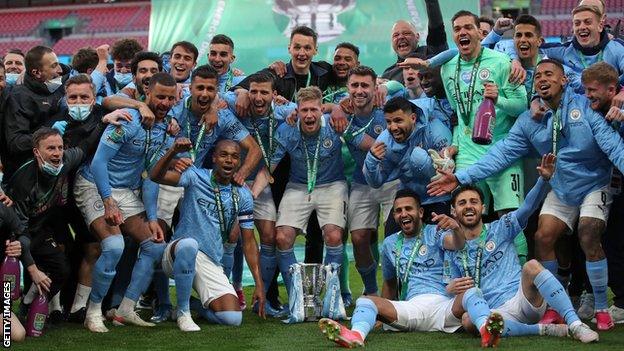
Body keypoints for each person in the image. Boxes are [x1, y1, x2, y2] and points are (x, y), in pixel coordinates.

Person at [428, 59, 624, 331]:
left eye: (550, 75)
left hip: (594, 185)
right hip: (561, 186)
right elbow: (502, 153)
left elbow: (613, 146)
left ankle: (602, 308)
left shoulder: (585, 109)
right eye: (538, 76)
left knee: (588, 232)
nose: (543, 79)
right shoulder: (529, 121)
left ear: (564, 80)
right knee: (543, 237)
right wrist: (461, 177)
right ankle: (554, 306)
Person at [444, 155, 596, 346]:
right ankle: (544, 329)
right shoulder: (452, 246)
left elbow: (527, 207)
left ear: (482, 207)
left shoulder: (501, 227)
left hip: (522, 299)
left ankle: (575, 324)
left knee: (532, 266)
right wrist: (450, 289)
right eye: (462, 203)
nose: (468, 206)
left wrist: (543, 180)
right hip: (492, 312)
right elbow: (452, 289)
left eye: (473, 202)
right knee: (467, 320)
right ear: (453, 211)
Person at [74, 72, 177, 332]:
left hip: (126, 190)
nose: (165, 102)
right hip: (94, 184)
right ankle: (94, 311)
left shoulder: (167, 130)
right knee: (114, 246)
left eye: (170, 98)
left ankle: (126, 308)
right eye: (160, 97)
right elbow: (99, 162)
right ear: (147, 94)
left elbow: (152, 178)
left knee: (155, 244)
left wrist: (152, 218)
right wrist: (108, 201)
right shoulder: (128, 119)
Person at [317, 189, 464, 348]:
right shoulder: (390, 243)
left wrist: (456, 228)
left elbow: (458, 243)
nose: (403, 214)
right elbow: (390, 282)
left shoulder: (436, 232)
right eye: (398, 211)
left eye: (409, 209)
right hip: (412, 308)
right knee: (365, 301)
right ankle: (356, 335)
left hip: (443, 304)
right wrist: (380, 315)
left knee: (472, 294)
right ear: (394, 216)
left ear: (420, 212)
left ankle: (487, 328)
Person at [440, 10, 529, 264]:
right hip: (468, 154)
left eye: (468, 27)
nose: (463, 33)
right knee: (466, 215)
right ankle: (473, 275)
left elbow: (521, 104)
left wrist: (497, 99)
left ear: (480, 32)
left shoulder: (501, 62)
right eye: (457, 29)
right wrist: (456, 144)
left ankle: (520, 278)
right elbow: (461, 112)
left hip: (502, 152)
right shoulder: (448, 69)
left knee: (510, 217)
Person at [150, 138, 265, 331]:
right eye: (224, 155)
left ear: (239, 162)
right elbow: (155, 176)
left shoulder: (243, 195)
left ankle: (190, 306)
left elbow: (249, 241)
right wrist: (172, 152)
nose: (229, 160)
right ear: (214, 158)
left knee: (232, 318)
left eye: (235, 157)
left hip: (210, 261)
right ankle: (184, 314)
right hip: (178, 252)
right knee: (189, 245)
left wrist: (258, 283)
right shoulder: (195, 176)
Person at [252, 86, 349, 297]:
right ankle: (298, 298)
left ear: (322, 109)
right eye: (304, 110)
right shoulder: (286, 131)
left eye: (314, 109)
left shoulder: (334, 124)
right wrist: (250, 196)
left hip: (332, 184)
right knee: (282, 238)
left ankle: (329, 297)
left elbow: (360, 101)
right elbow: (270, 167)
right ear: (297, 110)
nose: (309, 115)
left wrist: (338, 107)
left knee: (333, 235)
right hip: (298, 186)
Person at [222, 73, 295, 315]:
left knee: (269, 235)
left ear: (275, 95)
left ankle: (263, 295)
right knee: (231, 236)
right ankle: (231, 290)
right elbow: (211, 96)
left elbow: (311, 107)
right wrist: (237, 93)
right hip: (232, 180)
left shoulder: (285, 114)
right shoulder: (237, 102)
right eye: (253, 91)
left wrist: (250, 195)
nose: (258, 97)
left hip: (260, 183)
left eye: (264, 92)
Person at [363, 96, 453, 227]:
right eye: (388, 122)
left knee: (418, 156)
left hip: (440, 197)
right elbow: (375, 183)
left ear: (413, 118)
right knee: (390, 240)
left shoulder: (435, 130)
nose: (393, 127)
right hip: (409, 198)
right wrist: (371, 159)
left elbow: (450, 170)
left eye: (398, 120)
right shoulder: (384, 140)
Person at [581, 62, 624, 323]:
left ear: (611, 90)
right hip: (612, 182)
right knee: (612, 239)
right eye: (585, 91)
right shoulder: (594, 111)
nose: (587, 96)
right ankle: (620, 298)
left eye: (592, 91)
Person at [2, 46, 68, 183]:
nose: (59, 70)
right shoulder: (19, 97)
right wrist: (48, 136)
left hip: (55, 169)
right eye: (54, 66)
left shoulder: (56, 87)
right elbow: (16, 142)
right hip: (27, 176)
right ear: (37, 73)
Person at [381, 0, 448, 83]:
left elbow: (437, 29)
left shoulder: (432, 53)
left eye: (406, 33)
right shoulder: (388, 75)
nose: (401, 37)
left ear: (417, 37)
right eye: (396, 35)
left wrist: (431, 2)